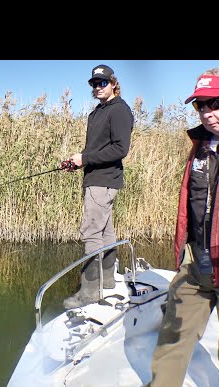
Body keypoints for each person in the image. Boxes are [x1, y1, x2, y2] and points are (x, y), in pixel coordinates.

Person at [121, 67, 219, 387]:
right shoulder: (200, 145)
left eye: (215, 103)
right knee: (173, 333)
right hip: (196, 262)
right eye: (200, 105)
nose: (207, 113)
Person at [62, 64, 134, 309]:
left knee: (91, 233)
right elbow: (96, 149)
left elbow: (120, 149)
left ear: (113, 83)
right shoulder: (98, 112)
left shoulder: (119, 111)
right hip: (96, 178)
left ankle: (90, 292)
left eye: (102, 82)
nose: (98, 87)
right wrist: (79, 161)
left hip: (104, 180)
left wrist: (87, 159)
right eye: (94, 84)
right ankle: (109, 281)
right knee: (105, 232)